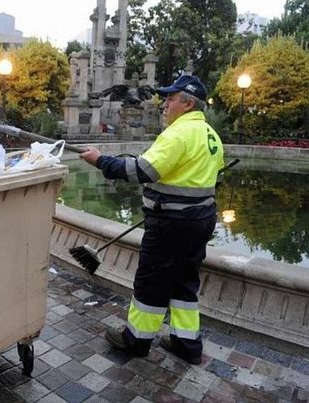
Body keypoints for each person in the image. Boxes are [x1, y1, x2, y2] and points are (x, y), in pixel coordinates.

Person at [79, 75, 224, 365]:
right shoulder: (210, 135)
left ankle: (136, 340)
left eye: (171, 98)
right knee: (185, 283)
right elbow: (213, 176)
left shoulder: (178, 134)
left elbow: (142, 171)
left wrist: (100, 161)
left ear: (188, 103)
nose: (164, 103)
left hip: (172, 224)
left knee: (151, 282)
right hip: (200, 220)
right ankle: (187, 344)